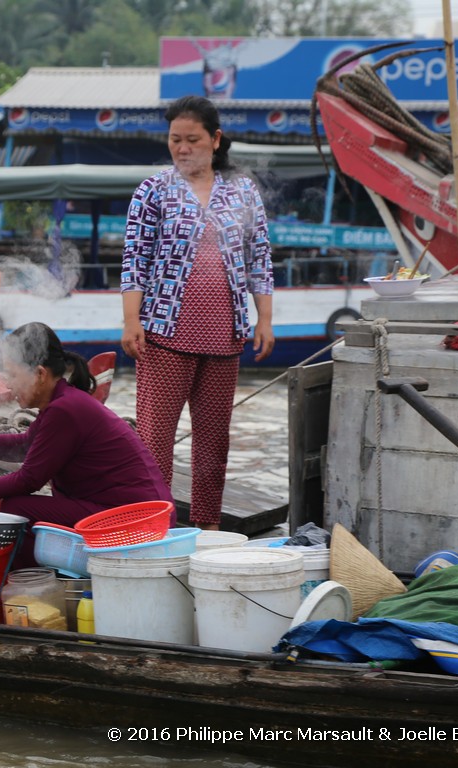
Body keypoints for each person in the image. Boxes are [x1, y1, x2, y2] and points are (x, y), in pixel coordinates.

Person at [120, 94, 274, 531]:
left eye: (192, 139)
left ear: (215, 139)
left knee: (213, 444)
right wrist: (132, 321)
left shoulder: (242, 189)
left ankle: (207, 528)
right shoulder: (153, 191)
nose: (183, 148)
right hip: (165, 335)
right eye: (175, 140)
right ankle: (156, 525)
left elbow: (258, 257)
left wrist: (263, 319)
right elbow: (135, 260)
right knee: (154, 441)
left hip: (225, 338)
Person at [0, 322, 174, 568]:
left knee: (19, 508)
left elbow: (28, 480)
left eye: (12, 375)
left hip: (141, 520)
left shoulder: (65, 409)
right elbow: (25, 445)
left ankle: (28, 583)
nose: (8, 384)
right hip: (142, 515)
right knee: (21, 505)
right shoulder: (64, 402)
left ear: (40, 374)